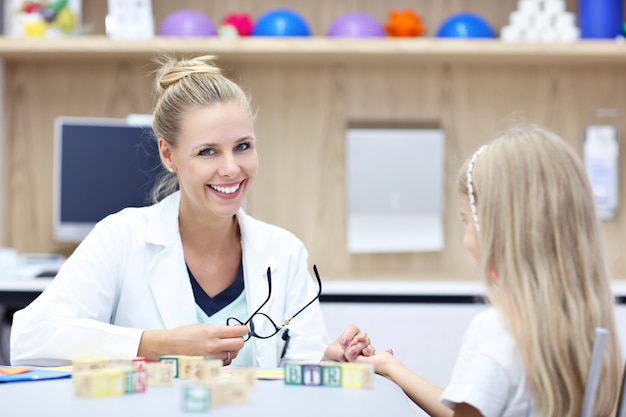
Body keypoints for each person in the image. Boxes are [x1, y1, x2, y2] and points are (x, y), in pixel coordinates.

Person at [10, 55, 373, 368]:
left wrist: (328, 363)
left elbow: (298, 370)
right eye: (208, 152)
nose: (231, 168)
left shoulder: (284, 252)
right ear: (168, 155)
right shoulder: (122, 237)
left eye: (242, 146)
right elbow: (30, 341)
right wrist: (157, 345)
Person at [356, 124, 624, 417]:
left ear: (496, 229)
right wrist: (389, 367)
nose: (466, 240)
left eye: (466, 221)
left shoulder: (498, 332)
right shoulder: (585, 328)